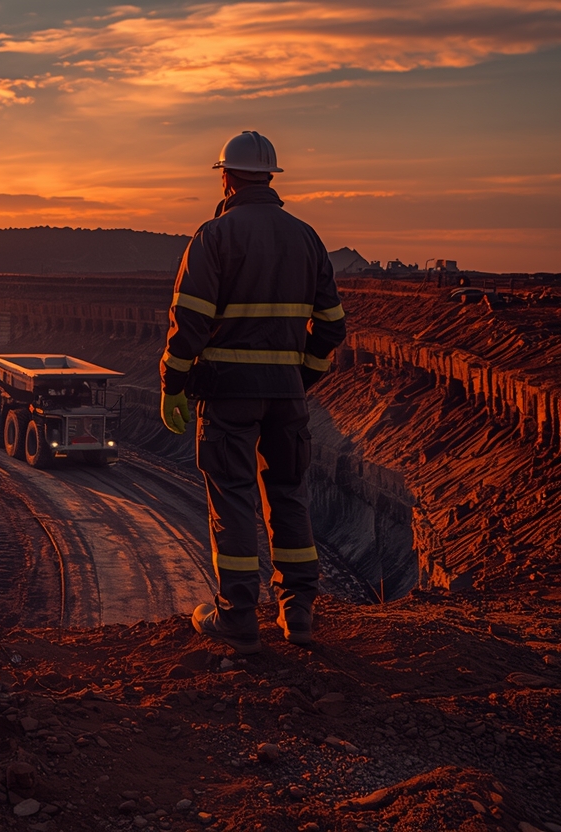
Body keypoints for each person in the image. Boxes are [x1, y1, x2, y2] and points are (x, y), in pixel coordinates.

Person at [159, 131, 347, 654]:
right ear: (270, 177)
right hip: (286, 396)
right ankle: (299, 612)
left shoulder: (214, 236)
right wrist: (300, 375)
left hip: (228, 395)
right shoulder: (307, 237)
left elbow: (190, 321)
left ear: (226, 175)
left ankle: (239, 615)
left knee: (234, 497)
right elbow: (332, 325)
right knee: (288, 493)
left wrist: (173, 383)